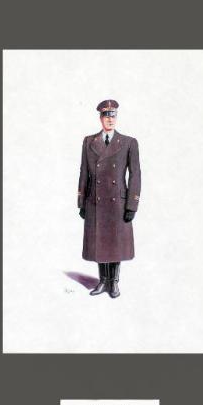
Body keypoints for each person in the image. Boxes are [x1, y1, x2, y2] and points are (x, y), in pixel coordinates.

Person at [77, 99, 141, 298]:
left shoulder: (129, 142)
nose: (110, 120)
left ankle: (114, 283)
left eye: (113, 116)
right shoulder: (89, 141)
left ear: (116, 118)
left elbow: (135, 175)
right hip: (95, 202)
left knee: (115, 243)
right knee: (99, 243)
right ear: (101, 118)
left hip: (117, 204)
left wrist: (132, 205)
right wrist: (81, 201)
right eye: (106, 116)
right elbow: (84, 172)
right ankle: (103, 281)